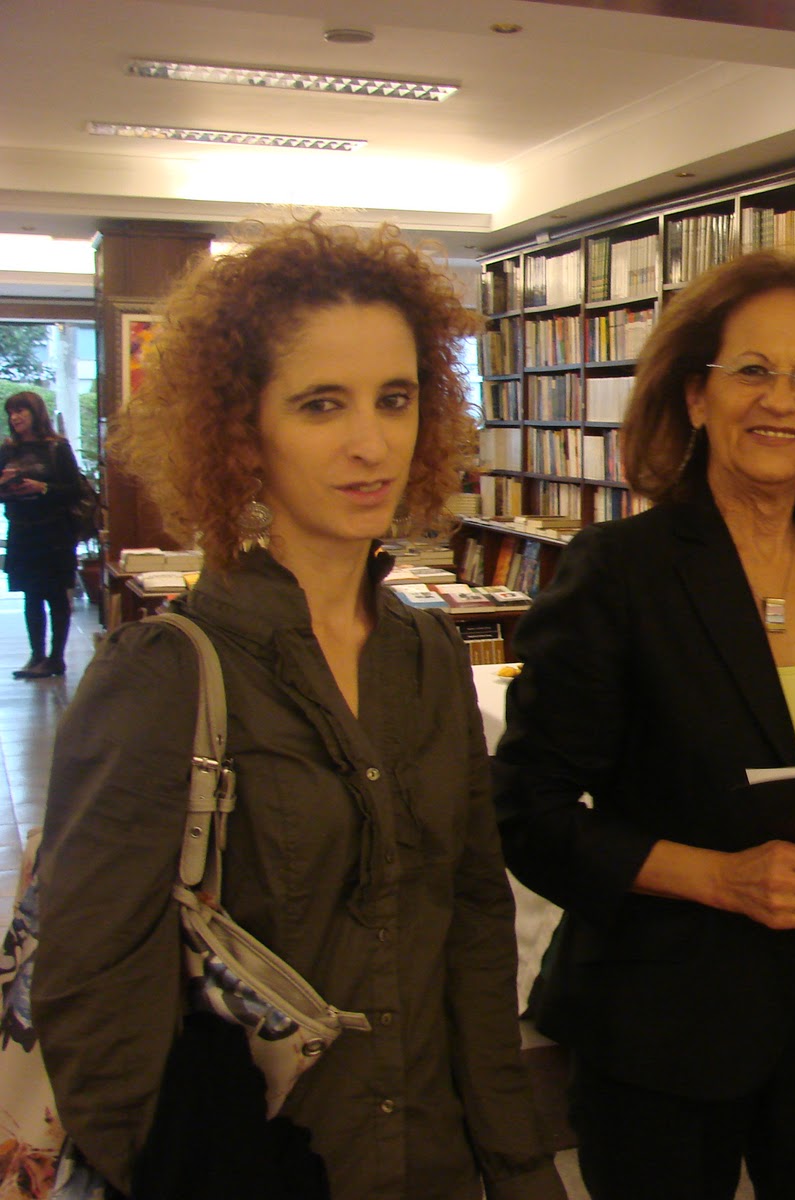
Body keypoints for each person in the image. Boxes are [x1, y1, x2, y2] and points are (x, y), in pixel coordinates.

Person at [34, 218, 567, 1200]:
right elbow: (88, 994)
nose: (372, 443)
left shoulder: (428, 657)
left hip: (434, 1162)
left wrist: (520, 1168)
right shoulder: (164, 675)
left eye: (395, 399)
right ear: (242, 430)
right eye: (322, 404)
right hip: (265, 1164)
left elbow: (473, 928)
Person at [493, 249, 795, 1200]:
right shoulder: (618, 570)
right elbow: (527, 811)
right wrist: (719, 878)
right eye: (752, 370)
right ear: (696, 395)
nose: (781, 400)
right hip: (663, 1021)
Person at [0, 390, 84, 679]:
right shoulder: (8, 450)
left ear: (36, 413)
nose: (15, 417)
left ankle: (56, 658)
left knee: (56, 594)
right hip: (22, 531)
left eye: (20, 411)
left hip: (54, 531)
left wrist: (42, 487)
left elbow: (75, 490)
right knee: (31, 595)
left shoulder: (56, 448)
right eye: (11, 412)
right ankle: (36, 656)